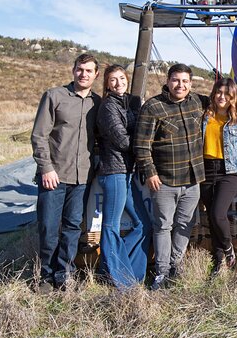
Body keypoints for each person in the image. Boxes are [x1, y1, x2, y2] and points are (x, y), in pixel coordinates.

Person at [134, 63, 208, 289]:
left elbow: (225, 101)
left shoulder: (197, 102)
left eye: (185, 81)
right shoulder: (153, 107)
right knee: (163, 226)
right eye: (176, 80)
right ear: (167, 81)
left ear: (191, 83)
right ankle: (162, 272)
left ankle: (177, 265)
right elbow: (141, 145)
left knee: (185, 224)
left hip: (192, 178)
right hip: (164, 180)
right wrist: (150, 172)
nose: (180, 85)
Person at [31, 53, 101, 292]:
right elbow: (39, 136)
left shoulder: (98, 103)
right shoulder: (54, 96)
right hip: (54, 176)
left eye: (89, 71)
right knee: (49, 227)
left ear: (96, 75)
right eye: (80, 69)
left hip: (82, 178)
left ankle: (65, 274)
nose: (84, 74)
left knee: (72, 227)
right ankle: (46, 276)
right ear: (73, 70)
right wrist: (46, 168)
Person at [96, 64, 152, 288]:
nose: (118, 83)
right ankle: (121, 281)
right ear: (107, 84)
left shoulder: (131, 102)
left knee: (143, 224)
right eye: (112, 80)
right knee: (111, 225)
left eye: (121, 78)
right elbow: (122, 140)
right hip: (114, 171)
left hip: (128, 172)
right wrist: (147, 147)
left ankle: (127, 272)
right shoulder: (108, 106)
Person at [200, 78, 237, 276]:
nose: (222, 97)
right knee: (213, 216)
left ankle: (229, 249)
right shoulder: (205, 114)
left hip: (230, 170)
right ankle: (219, 260)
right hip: (206, 168)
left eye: (227, 94)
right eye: (218, 92)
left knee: (217, 213)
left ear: (233, 97)